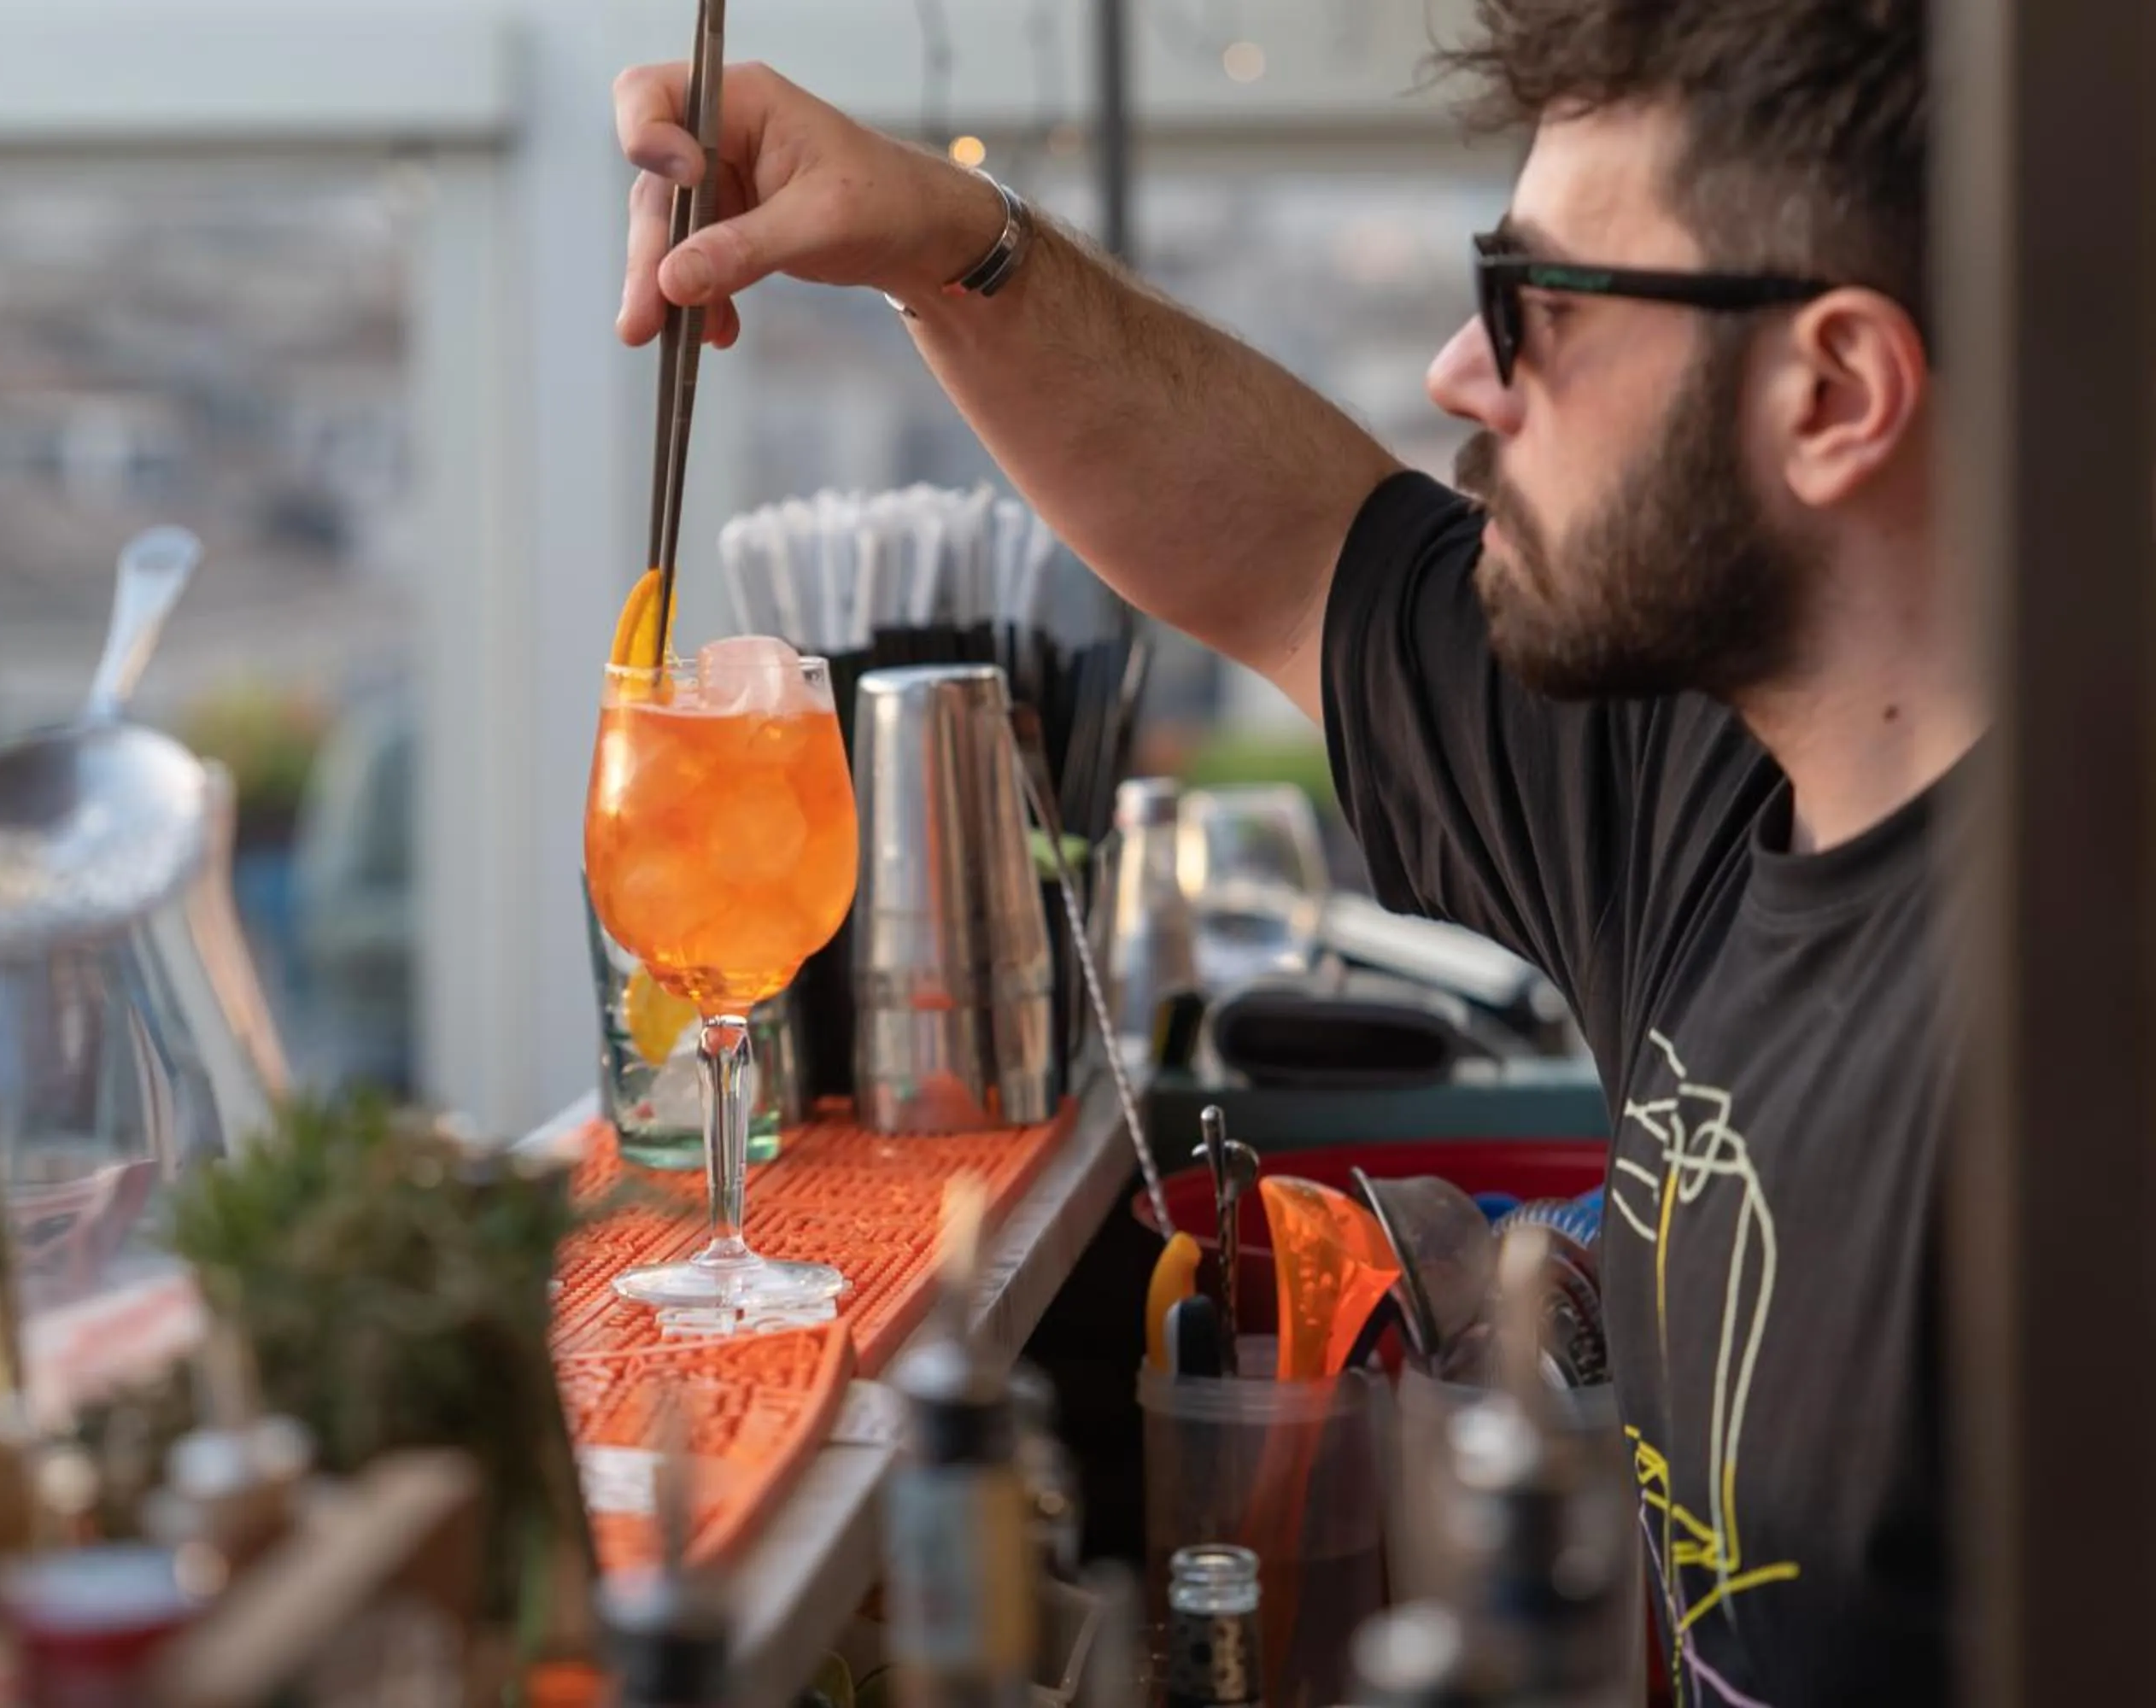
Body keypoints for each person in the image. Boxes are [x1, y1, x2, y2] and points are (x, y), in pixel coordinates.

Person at [612, 0, 1955, 1701]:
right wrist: (947, 246)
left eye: (1537, 308)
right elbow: (1294, 547)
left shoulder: (2046, 1053)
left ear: (1833, 391)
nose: (1459, 375)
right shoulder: (1710, 776)